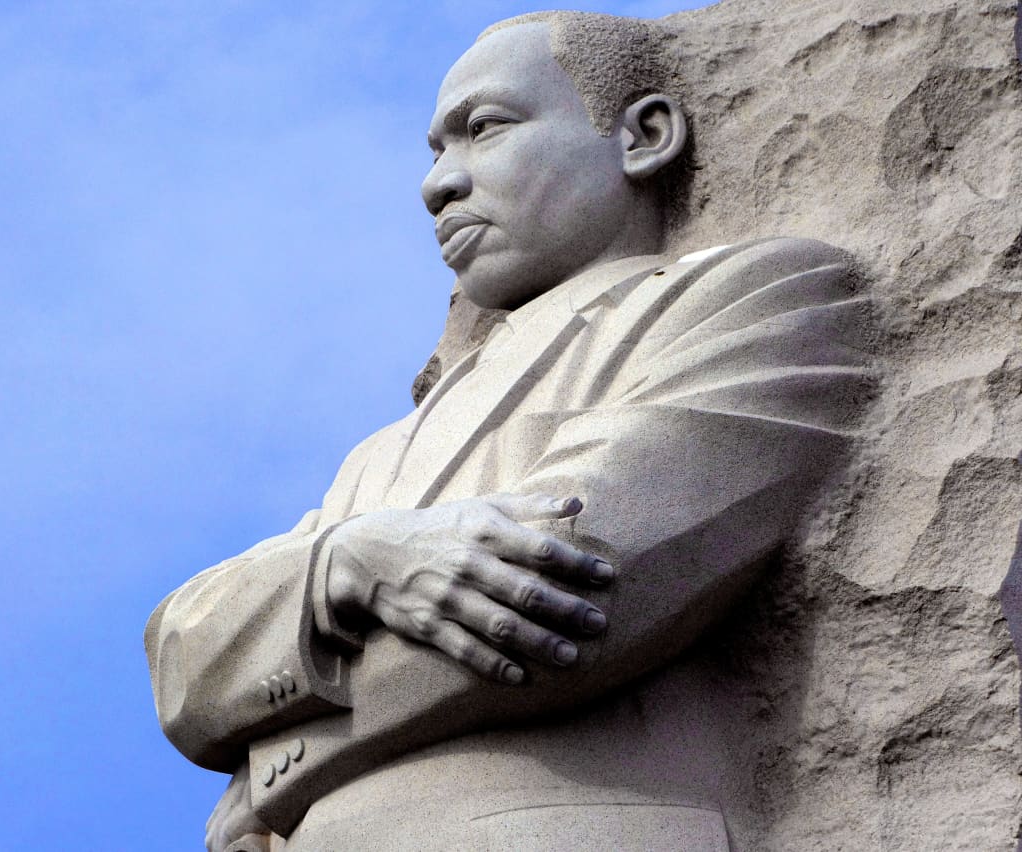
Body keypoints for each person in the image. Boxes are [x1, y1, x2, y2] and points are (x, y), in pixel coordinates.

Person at [145, 12, 873, 850]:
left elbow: (569, 593)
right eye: (434, 152)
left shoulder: (756, 298)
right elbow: (180, 657)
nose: (437, 185)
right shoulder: (377, 459)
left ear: (643, 136)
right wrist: (349, 561)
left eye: (484, 129)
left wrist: (271, 762)